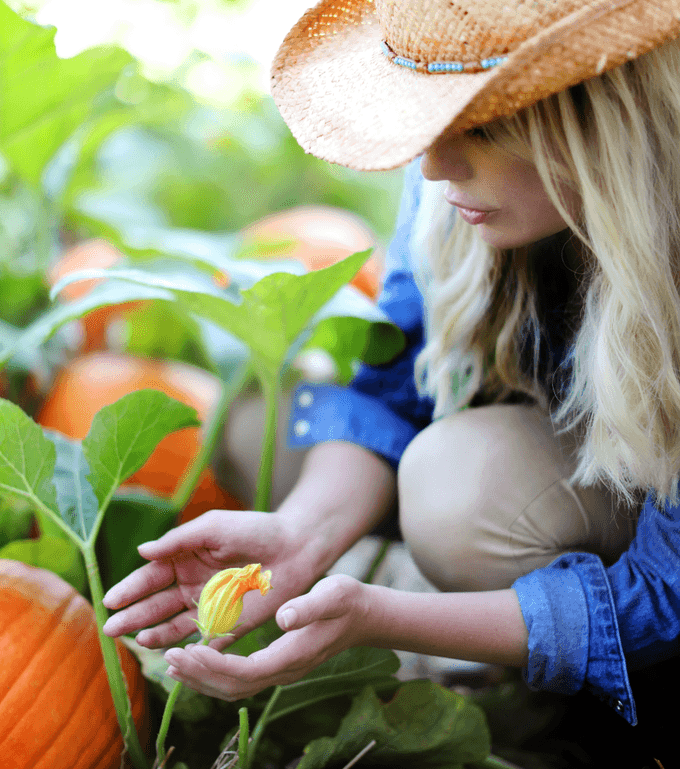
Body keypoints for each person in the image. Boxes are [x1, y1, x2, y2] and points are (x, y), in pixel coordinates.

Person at [101, 0, 680, 728]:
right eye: (427, 116)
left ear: (609, 113)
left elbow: (667, 591)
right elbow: (393, 379)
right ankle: (472, 606)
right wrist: (303, 534)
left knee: (455, 490)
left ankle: (563, 699)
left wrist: (383, 617)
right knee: (254, 427)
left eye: (484, 121)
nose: (433, 162)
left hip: (643, 499)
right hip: (559, 447)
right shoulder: (449, 181)